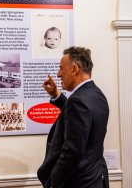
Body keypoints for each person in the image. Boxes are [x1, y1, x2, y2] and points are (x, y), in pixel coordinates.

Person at [37, 46, 109, 188]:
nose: (58, 74)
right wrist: (56, 95)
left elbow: (72, 151)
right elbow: (81, 117)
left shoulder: (78, 101)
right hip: (95, 178)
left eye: (61, 68)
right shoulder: (97, 94)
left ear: (75, 69)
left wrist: (54, 180)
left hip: (79, 182)